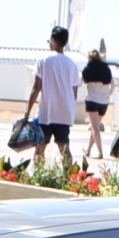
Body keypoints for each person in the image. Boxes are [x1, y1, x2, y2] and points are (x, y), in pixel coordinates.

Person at [30, 26, 80, 168]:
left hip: (47, 111)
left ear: (53, 40)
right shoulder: (72, 64)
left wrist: (27, 111)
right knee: (64, 147)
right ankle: (68, 175)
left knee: (40, 147)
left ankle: (39, 174)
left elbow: (36, 87)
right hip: (65, 113)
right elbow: (74, 92)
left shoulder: (43, 60)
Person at [80, 49, 114, 164]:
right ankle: (88, 150)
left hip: (92, 101)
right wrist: (108, 94)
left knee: (95, 128)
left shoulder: (87, 70)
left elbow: (79, 83)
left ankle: (100, 152)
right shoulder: (106, 69)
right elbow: (113, 84)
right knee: (95, 126)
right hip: (104, 102)